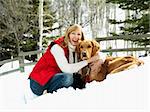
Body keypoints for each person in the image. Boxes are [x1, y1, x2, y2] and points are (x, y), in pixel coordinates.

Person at [28, 24, 101, 96]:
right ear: (68, 35)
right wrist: (88, 61)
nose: (76, 37)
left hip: (55, 77)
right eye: (73, 33)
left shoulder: (78, 48)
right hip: (38, 83)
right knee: (68, 78)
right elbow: (67, 69)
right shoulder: (57, 47)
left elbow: (98, 55)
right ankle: (48, 94)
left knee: (76, 80)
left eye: (79, 34)